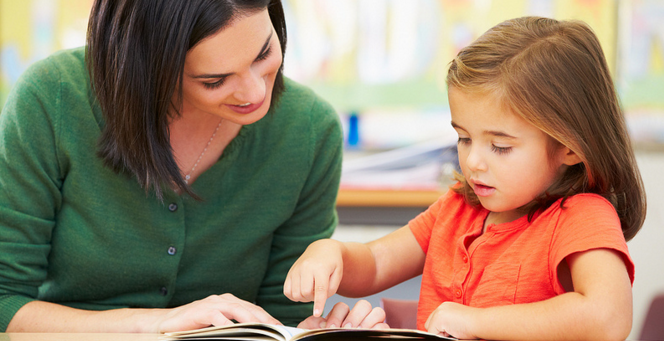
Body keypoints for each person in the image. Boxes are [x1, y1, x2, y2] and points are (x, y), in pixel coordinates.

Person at [0, 0, 385, 333]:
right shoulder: (52, 99)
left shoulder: (309, 130)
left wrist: (313, 331)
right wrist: (152, 325)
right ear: (149, 71)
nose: (255, 92)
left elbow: (280, 317)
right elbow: (5, 302)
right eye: (215, 80)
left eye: (264, 54)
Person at [284, 16, 647, 340]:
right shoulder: (458, 206)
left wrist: (475, 321)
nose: (473, 161)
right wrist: (329, 254)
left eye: (500, 147)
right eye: (464, 138)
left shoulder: (582, 217)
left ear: (569, 146)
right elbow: (378, 263)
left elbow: (608, 318)